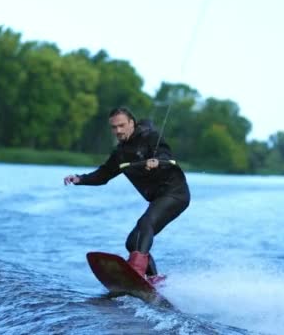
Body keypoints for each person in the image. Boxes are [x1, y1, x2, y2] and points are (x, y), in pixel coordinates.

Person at [64, 107, 190, 283]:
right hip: (158, 198)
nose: (118, 131)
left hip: (175, 193)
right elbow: (103, 175)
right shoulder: (120, 154)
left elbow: (165, 155)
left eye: (122, 126)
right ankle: (154, 278)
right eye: (114, 127)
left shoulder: (151, 137)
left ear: (132, 123)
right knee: (132, 242)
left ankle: (137, 271)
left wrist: (157, 161)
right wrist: (79, 179)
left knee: (146, 223)